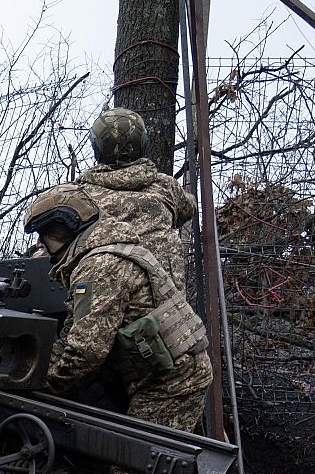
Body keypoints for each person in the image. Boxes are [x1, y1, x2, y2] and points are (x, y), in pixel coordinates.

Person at [24, 183, 211, 434]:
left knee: (136, 469)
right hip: (166, 373)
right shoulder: (104, 253)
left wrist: (35, 384)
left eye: (43, 234)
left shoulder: (98, 267)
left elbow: (85, 352)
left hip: (170, 382)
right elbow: (75, 332)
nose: (41, 244)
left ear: (62, 229)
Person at [78, 107, 197, 286]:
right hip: (166, 307)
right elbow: (189, 208)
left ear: (97, 147)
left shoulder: (79, 195)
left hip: (100, 302)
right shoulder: (165, 186)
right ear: (143, 143)